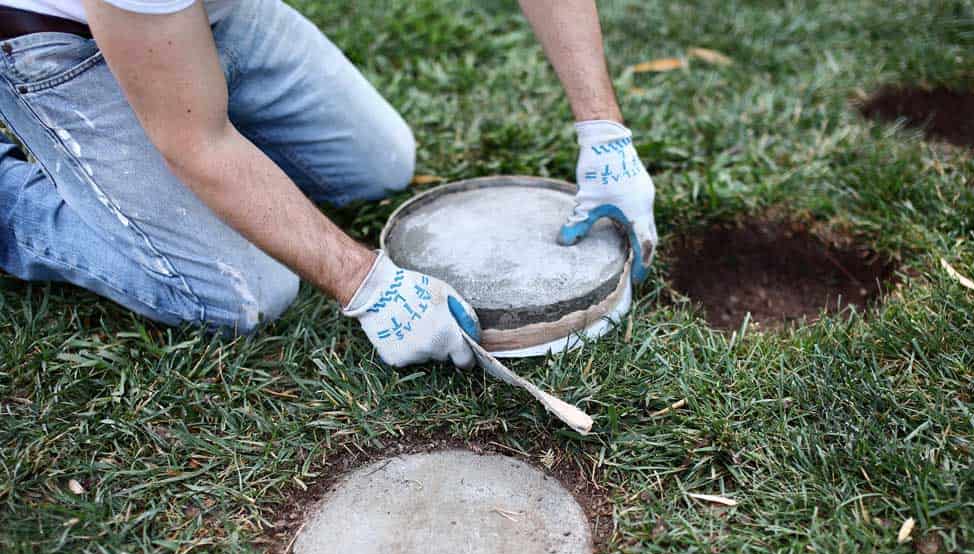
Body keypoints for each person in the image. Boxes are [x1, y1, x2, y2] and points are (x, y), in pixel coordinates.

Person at [0, 0, 657, 368]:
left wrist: (605, 133)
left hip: (207, 11)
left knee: (379, 163)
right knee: (245, 294)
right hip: (62, 42)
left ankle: (197, 118)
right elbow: (193, 142)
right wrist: (366, 283)